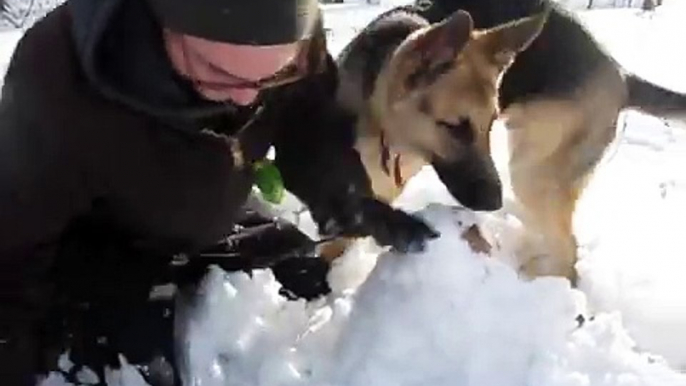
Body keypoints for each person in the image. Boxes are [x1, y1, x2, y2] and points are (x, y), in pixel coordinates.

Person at [0, 0, 440, 384]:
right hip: (90, 248)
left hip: (210, 218)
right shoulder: (54, 81)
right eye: (220, 73)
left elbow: (307, 126)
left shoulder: (292, 44)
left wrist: (350, 201)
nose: (249, 101)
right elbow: (14, 250)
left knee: (306, 275)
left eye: (273, 76)